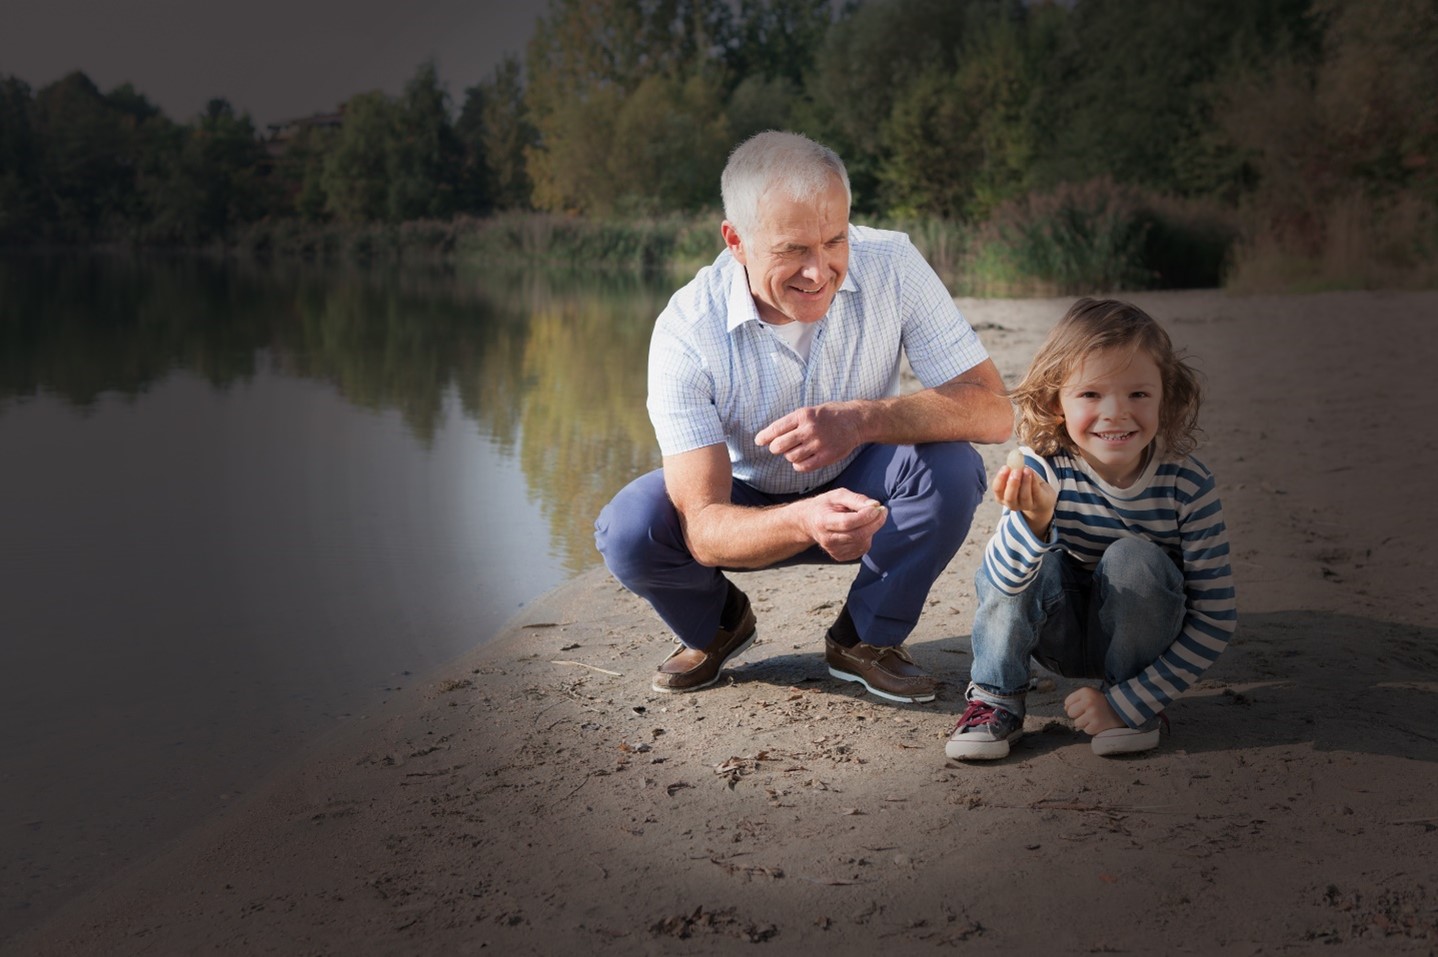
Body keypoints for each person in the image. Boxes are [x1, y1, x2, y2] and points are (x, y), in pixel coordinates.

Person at [594, 130, 1011, 703]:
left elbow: (994, 412)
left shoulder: (894, 264)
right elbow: (707, 529)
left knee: (952, 468)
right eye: (792, 250)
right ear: (736, 240)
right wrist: (802, 519)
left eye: (834, 240)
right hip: (745, 501)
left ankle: (865, 639)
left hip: (868, 493)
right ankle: (718, 625)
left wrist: (862, 420)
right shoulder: (686, 330)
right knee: (630, 529)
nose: (819, 272)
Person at [945, 298, 1236, 759]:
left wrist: (1130, 699)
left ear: (1168, 396)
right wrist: (1034, 522)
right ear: (1054, 402)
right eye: (1091, 394)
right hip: (1053, 632)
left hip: (1139, 643)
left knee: (1133, 558)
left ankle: (1131, 710)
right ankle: (995, 700)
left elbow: (1216, 617)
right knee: (1032, 558)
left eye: (1138, 394)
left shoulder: (1187, 483)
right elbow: (1000, 585)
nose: (1116, 412)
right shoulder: (1044, 468)